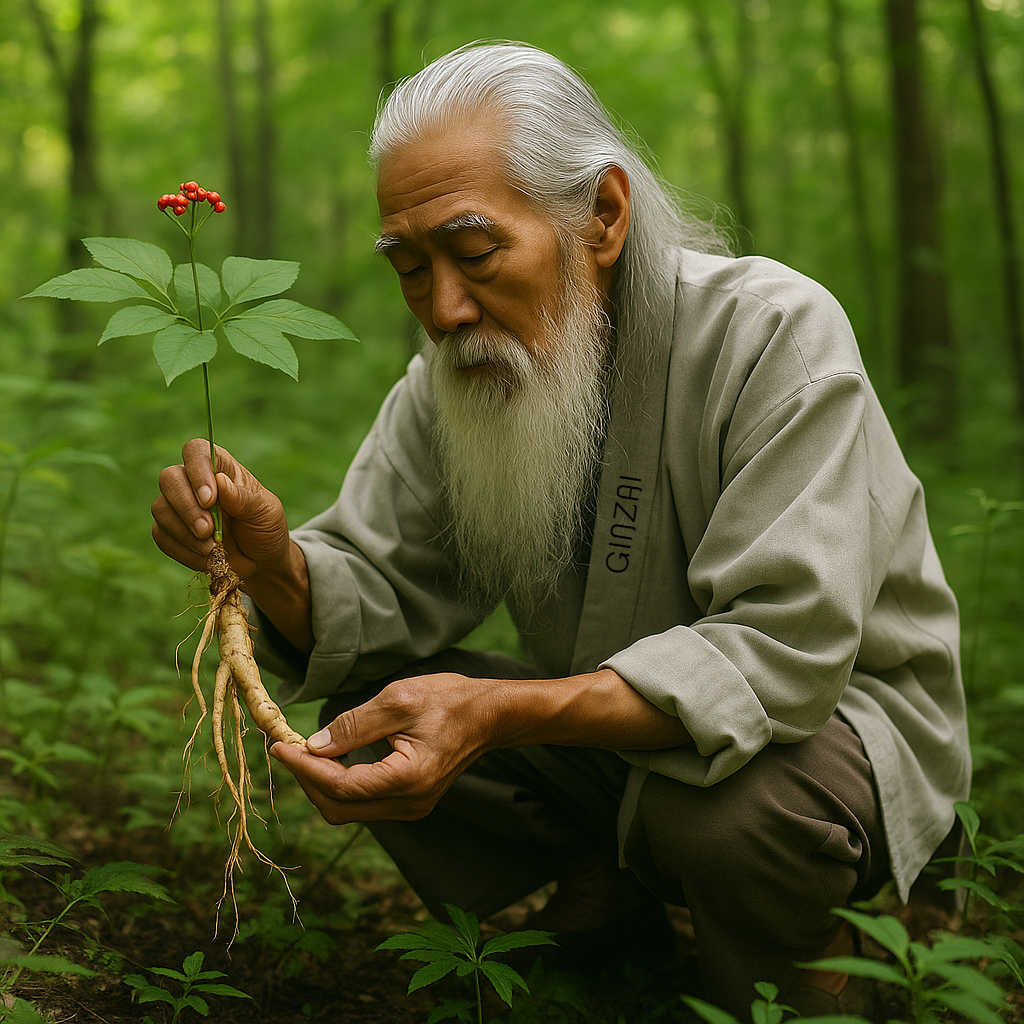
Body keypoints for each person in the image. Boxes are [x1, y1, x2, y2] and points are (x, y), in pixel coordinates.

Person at [152, 42, 970, 1016]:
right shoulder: (455, 378)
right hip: (612, 740)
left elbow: (780, 653)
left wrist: (495, 712)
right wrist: (274, 563)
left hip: (833, 734)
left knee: (715, 810)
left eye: (476, 251)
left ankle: (807, 963)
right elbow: (371, 590)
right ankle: (607, 881)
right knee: (368, 711)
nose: (445, 309)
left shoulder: (773, 334)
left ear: (603, 217)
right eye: (411, 269)